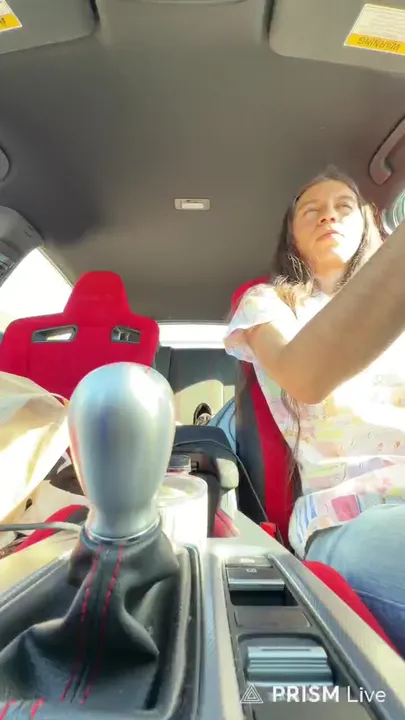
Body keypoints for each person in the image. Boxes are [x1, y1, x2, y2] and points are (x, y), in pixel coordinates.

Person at [223, 166, 405, 655]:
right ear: (293, 236)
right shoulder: (268, 303)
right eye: (312, 210)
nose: (329, 216)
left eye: (344, 207)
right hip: (349, 509)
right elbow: (303, 376)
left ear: (368, 223)